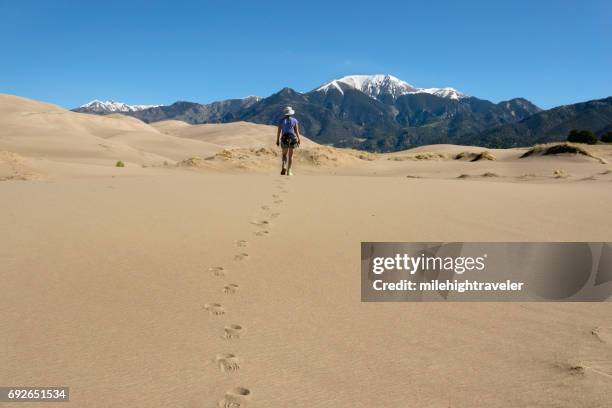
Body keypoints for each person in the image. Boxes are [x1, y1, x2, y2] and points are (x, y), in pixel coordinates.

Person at [276, 106, 301, 175]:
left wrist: (277, 140)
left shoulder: (281, 121)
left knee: (284, 155)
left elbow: (279, 131)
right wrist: (299, 139)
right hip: (292, 139)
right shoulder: (295, 120)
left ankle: (284, 166)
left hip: (284, 139)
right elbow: (296, 131)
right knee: (290, 156)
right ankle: (289, 171)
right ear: (291, 113)